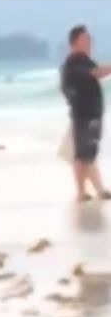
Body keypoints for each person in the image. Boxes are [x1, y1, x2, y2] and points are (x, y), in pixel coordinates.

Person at [61, 25, 111, 202]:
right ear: (76, 41)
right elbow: (97, 73)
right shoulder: (74, 62)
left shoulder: (83, 60)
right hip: (84, 114)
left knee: (88, 153)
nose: (90, 42)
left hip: (88, 113)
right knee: (83, 154)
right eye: (86, 39)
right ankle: (81, 191)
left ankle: (96, 189)